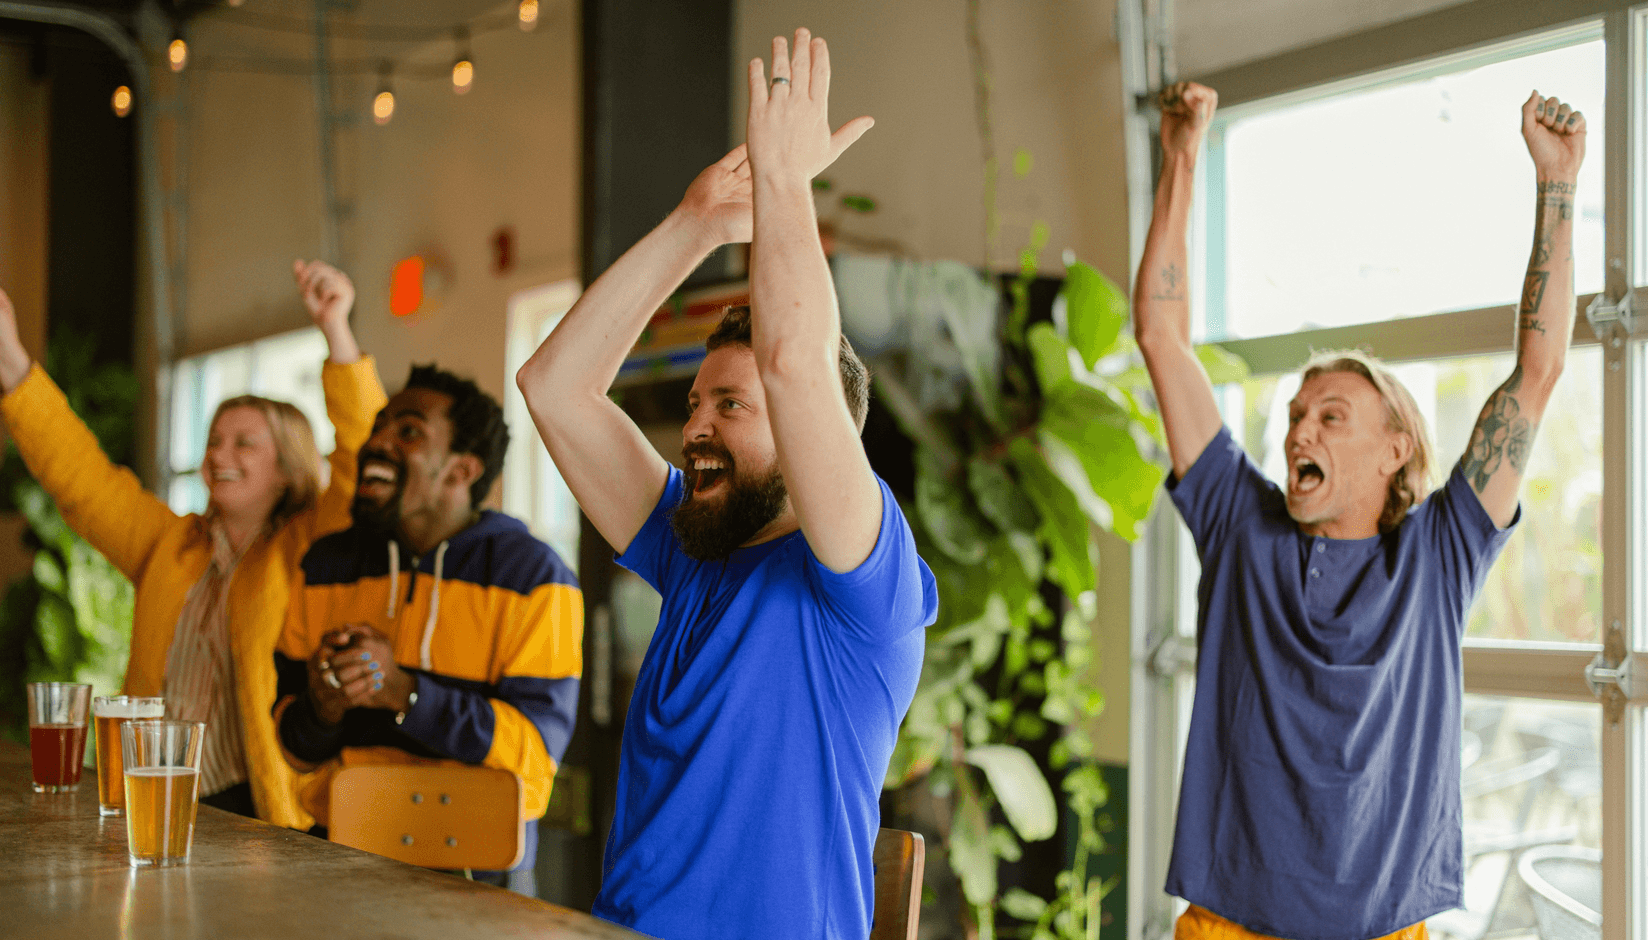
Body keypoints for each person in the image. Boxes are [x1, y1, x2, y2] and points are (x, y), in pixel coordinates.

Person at [1134, 81, 1584, 940]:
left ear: (1395, 451)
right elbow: (1162, 336)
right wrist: (1181, 158)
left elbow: (1539, 371)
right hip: (1229, 925)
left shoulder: (1440, 553)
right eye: (1296, 414)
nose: (1300, 429)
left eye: (1331, 416)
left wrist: (1557, 184)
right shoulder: (1240, 524)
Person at [517, 28, 934, 940]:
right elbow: (554, 388)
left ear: (815, 430)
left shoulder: (864, 583)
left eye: (731, 406)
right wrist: (697, 223)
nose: (697, 426)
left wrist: (784, 183)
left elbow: (795, 364)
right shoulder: (692, 546)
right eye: (696, 404)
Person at [0, 261, 384, 825]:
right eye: (213, 440)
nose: (219, 455)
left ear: (287, 468)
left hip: (263, 817)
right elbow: (81, 479)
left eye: (244, 443)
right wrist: (9, 358)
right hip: (154, 801)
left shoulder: (311, 547)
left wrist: (337, 330)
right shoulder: (170, 545)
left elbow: (364, 455)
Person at [273, 363, 581, 897]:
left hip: (480, 881)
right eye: (379, 427)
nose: (377, 442)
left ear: (462, 470)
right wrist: (323, 707)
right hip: (336, 863)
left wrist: (404, 692)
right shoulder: (325, 565)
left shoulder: (534, 576)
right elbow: (295, 749)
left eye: (409, 431)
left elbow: (534, 757)